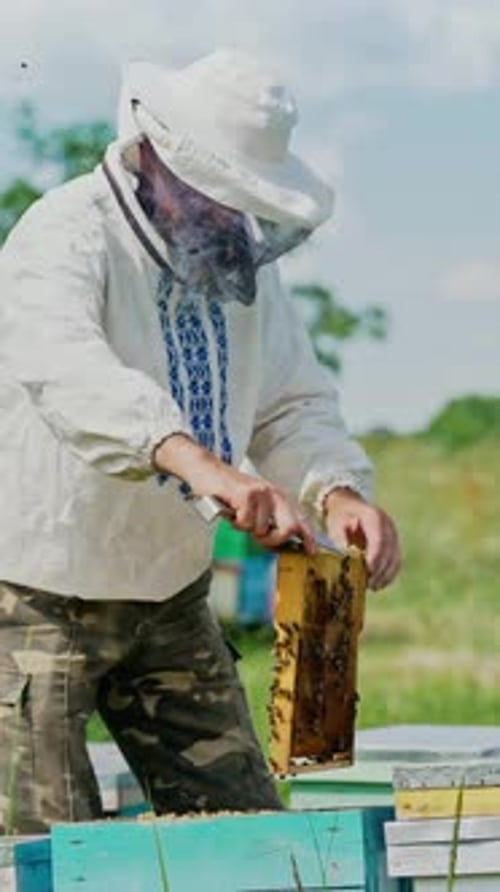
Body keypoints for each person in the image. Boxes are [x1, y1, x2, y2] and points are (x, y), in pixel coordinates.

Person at [0, 48, 401, 834]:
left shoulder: (239, 269)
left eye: (240, 200)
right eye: (214, 195)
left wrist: (338, 489)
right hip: (31, 598)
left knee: (248, 838)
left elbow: (290, 399)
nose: (228, 217)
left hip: (169, 599)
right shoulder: (64, 231)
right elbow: (67, 371)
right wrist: (202, 466)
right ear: (154, 156)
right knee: (46, 853)